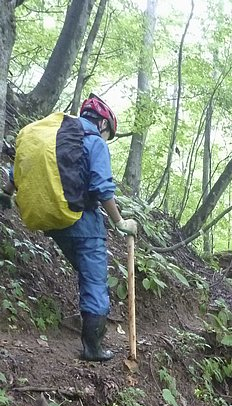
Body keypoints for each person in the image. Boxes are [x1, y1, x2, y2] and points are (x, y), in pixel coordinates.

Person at [0, 95, 137, 362]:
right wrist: (120, 222)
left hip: (52, 221)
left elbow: (19, 169)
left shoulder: (54, 139)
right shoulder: (93, 142)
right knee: (95, 279)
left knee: (85, 271)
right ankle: (93, 347)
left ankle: (90, 333)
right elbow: (101, 188)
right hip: (82, 222)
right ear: (103, 124)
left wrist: (6, 194)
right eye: (108, 133)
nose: (106, 137)